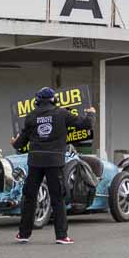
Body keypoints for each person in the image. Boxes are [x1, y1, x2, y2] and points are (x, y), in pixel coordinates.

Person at [10, 87, 95, 244]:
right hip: (55, 162)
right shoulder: (62, 113)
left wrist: (14, 142)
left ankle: (23, 234)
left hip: (35, 162)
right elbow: (85, 125)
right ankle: (62, 236)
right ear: (54, 100)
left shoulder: (31, 116)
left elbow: (20, 144)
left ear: (37, 101)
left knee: (29, 197)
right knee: (57, 198)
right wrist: (90, 113)